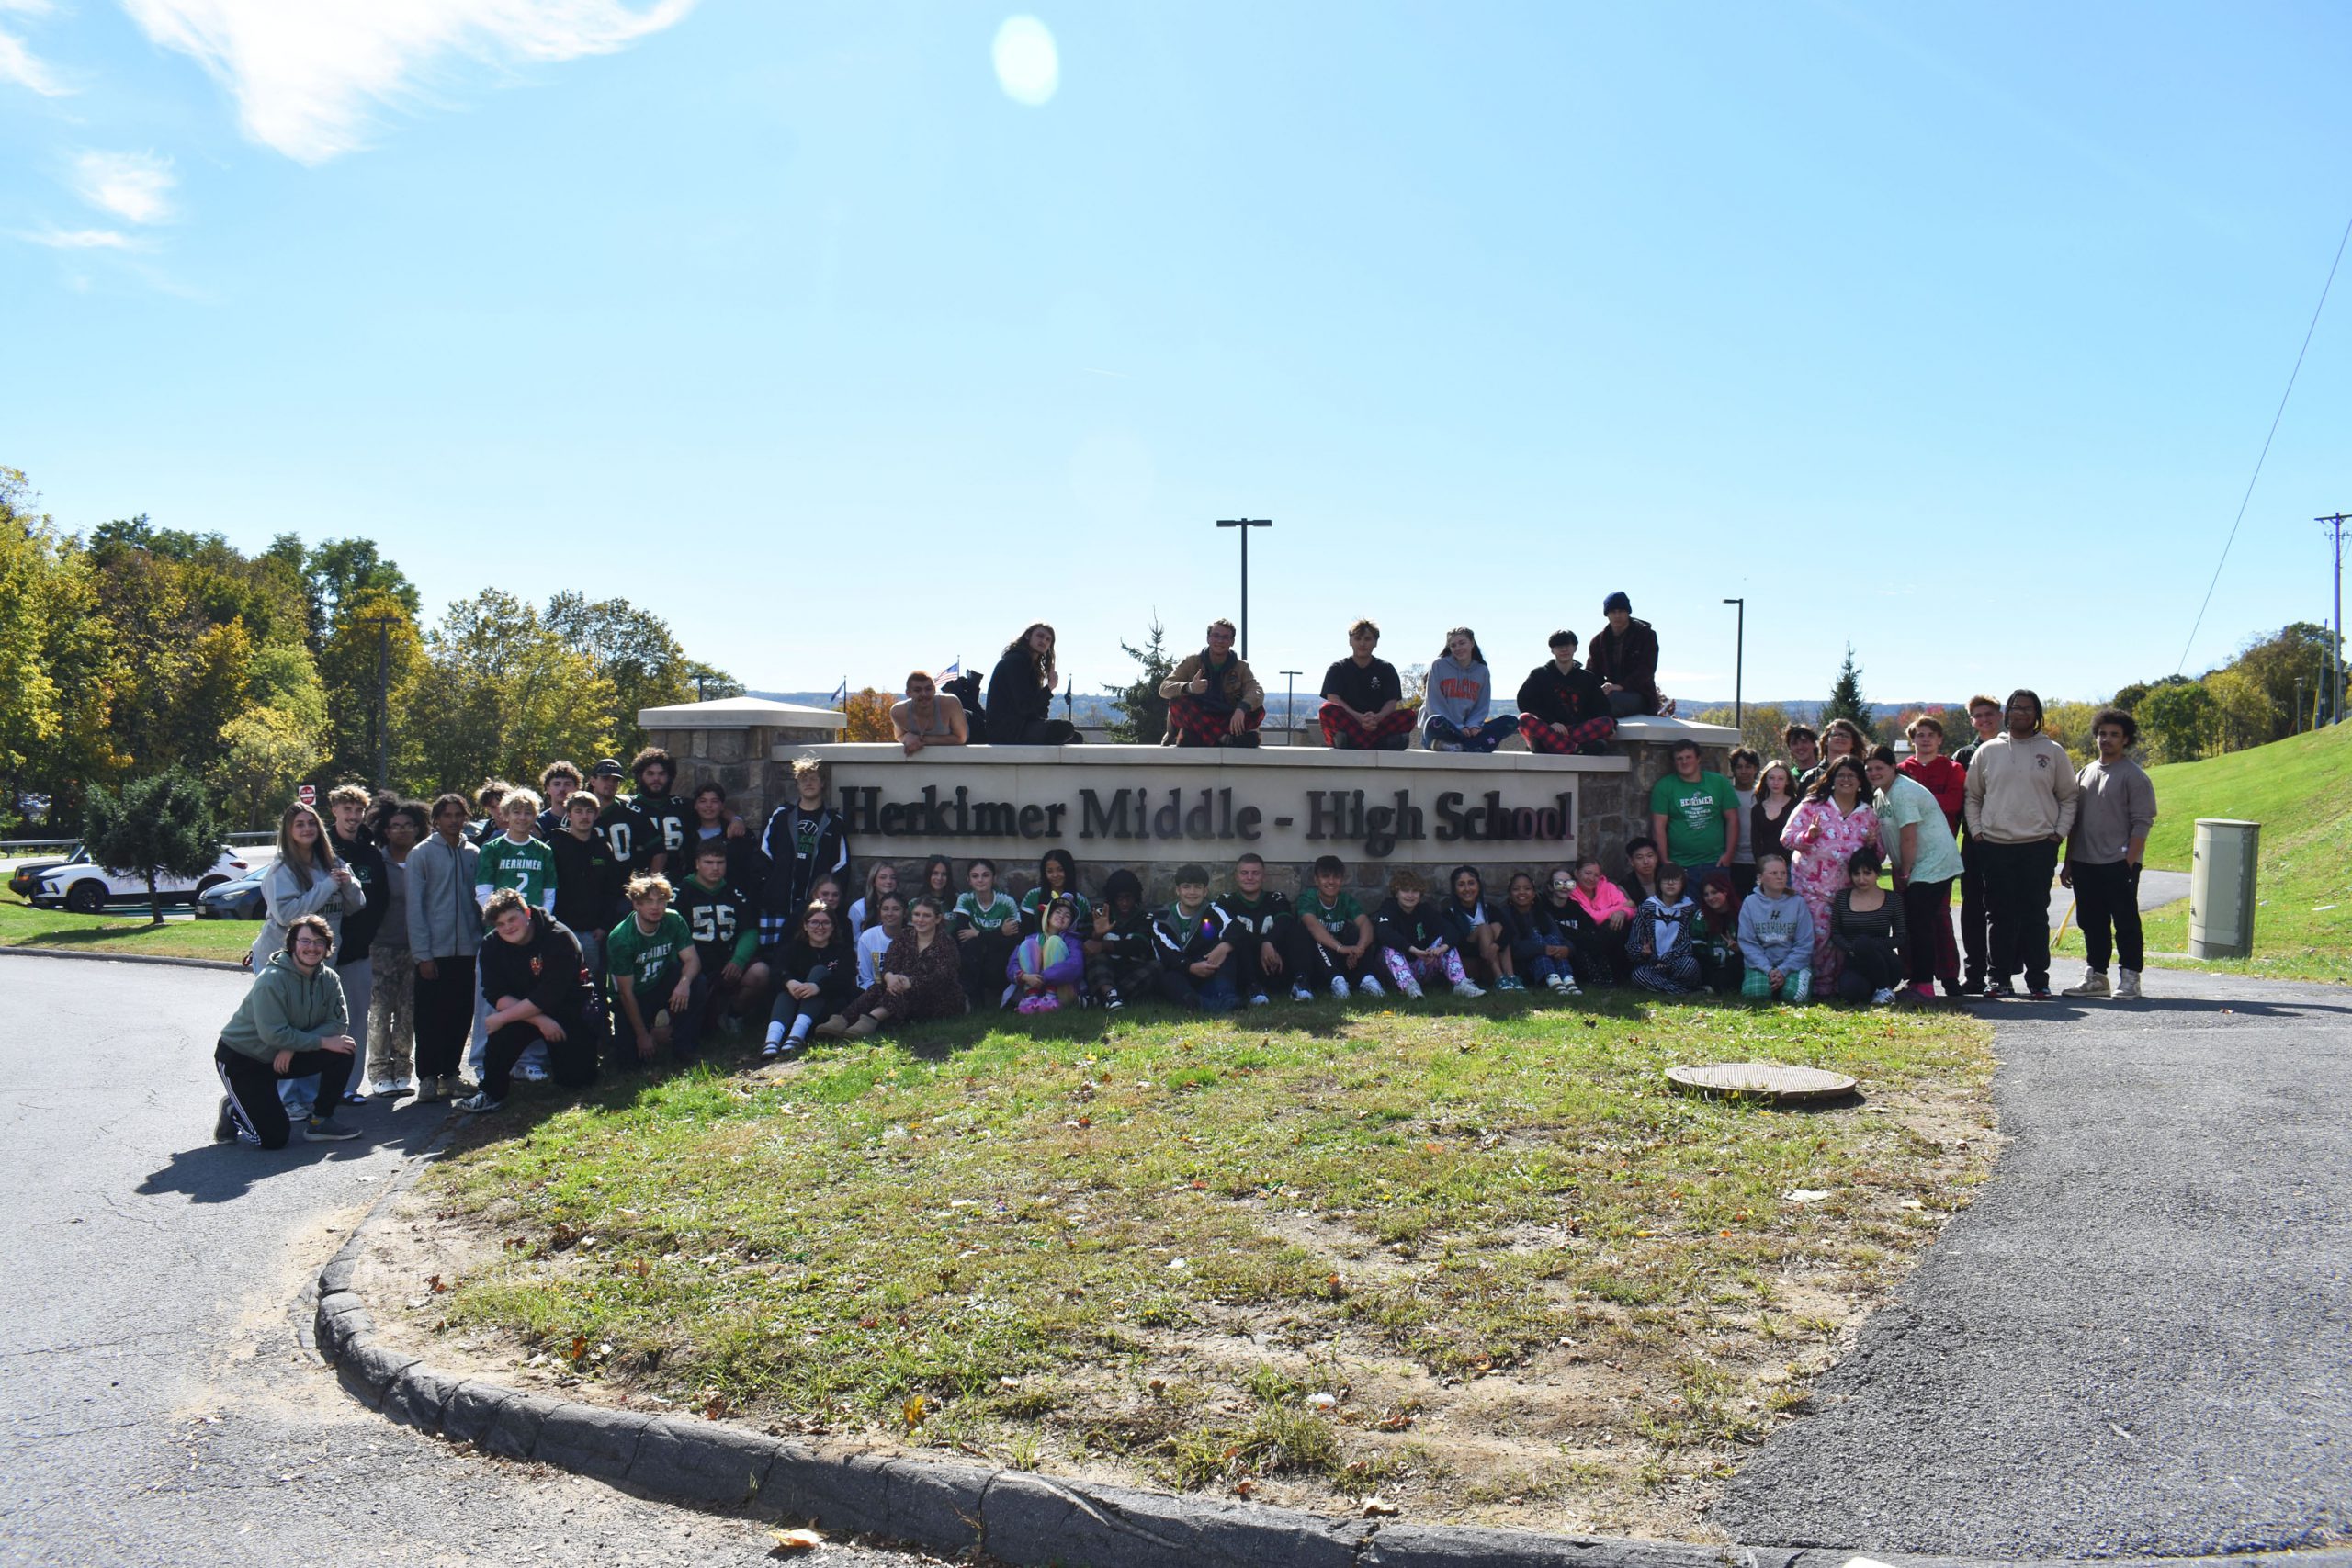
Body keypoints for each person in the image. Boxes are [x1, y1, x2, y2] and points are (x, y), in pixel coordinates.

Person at [252, 801, 368, 1119]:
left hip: (319, 961)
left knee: (314, 1026)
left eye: (311, 823)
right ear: (288, 832)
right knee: (287, 1028)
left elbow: (356, 904)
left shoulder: (332, 861)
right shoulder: (282, 869)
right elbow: (287, 914)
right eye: (299, 824)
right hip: (281, 962)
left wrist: (349, 884)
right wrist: (327, 885)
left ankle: (309, 1096)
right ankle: (287, 1098)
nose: (307, 829)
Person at [1963, 689, 2080, 1001]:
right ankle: (1998, 978)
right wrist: (1977, 832)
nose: (2021, 713)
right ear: (2008, 712)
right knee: (1998, 914)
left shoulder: (2052, 751)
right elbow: (1973, 796)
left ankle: (2038, 980)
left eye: (2028, 709)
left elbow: (2069, 796)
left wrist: (2058, 833)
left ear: (2037, 714)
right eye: (2016, 707)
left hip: (2039, 844)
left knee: (2035, 914)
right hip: (1995, 844)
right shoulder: (1988, 751)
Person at [210, 914, 362, 1147]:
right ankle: (234, 1109)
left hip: (281, 1055)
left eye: (319, 942)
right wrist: (314, 1042)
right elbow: (273, 1035)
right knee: (273, 1140)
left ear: (327, 947)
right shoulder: (271, 979)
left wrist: (291, 1047)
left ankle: (320, 1121)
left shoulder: (329, 979)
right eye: (305, 941)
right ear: (292, 944)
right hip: (243, 1060)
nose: (312, 948)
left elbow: (338, 1024)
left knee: (344, 1048)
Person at [458, 889, 605, 1112]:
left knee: (578, 1080)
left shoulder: (559, 937)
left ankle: (562, 1062)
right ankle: (490, 1093)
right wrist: (540, 1021)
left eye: (512, 919)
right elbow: (495, 994)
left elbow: (551, 993)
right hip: (522, 1012)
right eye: (500, 924)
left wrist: (503, 1018)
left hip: (568, 1009)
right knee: (501, 1033)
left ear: (526, 913)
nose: (508, 927)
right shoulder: (491, 945)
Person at [2062, 707, 2156, 1000]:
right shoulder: (2084, 773)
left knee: (2125, 922)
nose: (2107, 739)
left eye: (2114, 734)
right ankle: (2096, 976)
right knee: (2091, 923)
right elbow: (2075, 822)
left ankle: (2130, 978)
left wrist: (2128, 862)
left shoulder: (2134, 776)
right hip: (2084, 862)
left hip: (2118, 863)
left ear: (2125, 739)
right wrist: (2068, 862)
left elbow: (2143, 822)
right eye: (2102, 734)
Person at [1865, 745, 1964, 999]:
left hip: (1933, 863)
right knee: (1913, 922)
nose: (1874, 773)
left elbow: (1909, 836)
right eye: (1869, 769)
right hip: (1917, 865)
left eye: (1879, 768)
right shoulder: (1880, 794)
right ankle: (1918, 980)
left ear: (1892, 767)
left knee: (1921, 924)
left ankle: (1924, 983)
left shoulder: (1903, 791)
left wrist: (1904, 871)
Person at [406, 793, 481, 1102]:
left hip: (468, 949)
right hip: (434, 951)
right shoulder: (421, 854)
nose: (453, 820)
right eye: (447, 815)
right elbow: (415, 908)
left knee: (460, 1016)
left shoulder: (474, 853)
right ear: (435, 820)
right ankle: (427, 1077)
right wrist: (422, 955)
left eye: (459, 814)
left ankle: (450, 1074)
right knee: (430, 1018)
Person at [1781, 756, 1879, 995]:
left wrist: (1872, 846)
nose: (1846, 780)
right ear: (1832, 779)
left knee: (1843, 942)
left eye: (1852, 776)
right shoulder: (1812, 806)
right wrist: (1809, 836)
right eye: (1841, 775)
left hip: (1850, 893)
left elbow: (1878, 857)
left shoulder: (1868, 814)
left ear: (1860, 781)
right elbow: (1786, 838)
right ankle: (1816, 987)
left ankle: (1839, 987)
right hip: (1812, 889)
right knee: (1818, 938)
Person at [321, 784, 388, 1105]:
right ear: (334, 810)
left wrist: (366, 938)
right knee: (319, 1022)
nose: (353, 816)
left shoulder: (371, 854)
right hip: (319, 955)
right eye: (347, 809)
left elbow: (379, 902)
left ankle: (348, 1086)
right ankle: (315, 1088)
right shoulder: (319, 850)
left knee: (356, 1020)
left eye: (358, 810)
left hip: (359, 953)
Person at [825, 894, 966, 1035]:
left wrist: (911, 983)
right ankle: (843, 1019)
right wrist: (890, 977)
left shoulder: (946, 943)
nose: (920, 920)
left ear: (938, 919)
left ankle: (871, 1019)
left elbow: (943, 977)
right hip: (903, 990)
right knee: (879, 987)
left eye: (926, 916)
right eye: (917, 915)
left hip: (940, 998)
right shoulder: (904, 936)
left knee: (903, 991)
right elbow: (890, 964)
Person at [607, 874, 705, 1067]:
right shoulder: (621, 938)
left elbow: (693, 960)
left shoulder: (673, 920)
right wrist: (642, 1035)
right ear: (636, 905)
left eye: (661, 901)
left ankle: (684, 1045)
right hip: (634, 995)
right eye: (649, 901)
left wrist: (684, 984)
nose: (655, 907)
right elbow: (626, 993)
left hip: (660, 982)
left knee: (697, 981)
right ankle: (653, 1033)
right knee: (629, 1063)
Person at [364, 799, 424, 1098]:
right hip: (381, 947)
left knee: (408, 1012)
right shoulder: (378, 861)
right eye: (395, 826)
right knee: (379, 1010)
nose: (402, 831)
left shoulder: (422, 859)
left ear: (417, 829)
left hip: (415, 948)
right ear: (385, 831)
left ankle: (403, 1070)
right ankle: (378, 1071)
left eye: (408, 825)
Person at [757, 755, 850, 948]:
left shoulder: (834, 821)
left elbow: (841, 865)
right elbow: (763, 855)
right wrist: (772, 887)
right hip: (780, 904)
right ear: (797, 784)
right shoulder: (781, 816)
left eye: (814, 778)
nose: (809, 783)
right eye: (803, 779)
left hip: (817, 910)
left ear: (823, 783)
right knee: (775, 954)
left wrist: (830, 897)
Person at [679, 839, 763, 1032]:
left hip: (727, 963)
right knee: (704, 1030)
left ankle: (734, 1014)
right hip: (694, 965)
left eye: (720, 862)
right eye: (709, 862)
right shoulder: (681, 893)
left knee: (760, 973)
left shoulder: (735, 894)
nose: (715, 868)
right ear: (697, 863)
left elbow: (749, 931)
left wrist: (739, 960)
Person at [1950, 694, 2004, 994]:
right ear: (1972, 721)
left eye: (1989, 714)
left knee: (2003, 908)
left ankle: (2002, 972)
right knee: (1972, 907)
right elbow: (1958, 802)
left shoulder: (2012, 749)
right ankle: (1974, 973)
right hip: (1974, 840)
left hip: (2007, 840)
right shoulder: (1964, 755)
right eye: (1978, 716)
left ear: (2000, 716)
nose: (1984, 720)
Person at [549, 789, 623, 985]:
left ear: (597, 815)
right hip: (560, 928)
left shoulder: (603, 848)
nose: (584, 816)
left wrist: (604, 925)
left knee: (591, 981)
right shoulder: (554, 846)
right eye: (578, 811)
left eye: (589, 811)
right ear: (568, 815)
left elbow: (611, 890)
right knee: (560, 980)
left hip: (592, 931)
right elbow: (548, 888)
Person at [1374, 869, 1481, 998]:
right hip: (1392, 972)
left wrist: (1440, 949)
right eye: (1405, 891)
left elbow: (1451, 930)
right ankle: (1409, 987)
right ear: (1396, 892)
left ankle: (1461, 983)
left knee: (1444, 942)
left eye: (1415, 891)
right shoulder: (1388, 908)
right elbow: (1384, 933)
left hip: (1420, 966)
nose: (1410, 895)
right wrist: (1413, 950)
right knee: (1389, 948)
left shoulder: (1424, 910)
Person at [766, 902, 857, 1054]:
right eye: (814, 922)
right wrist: (789, 982)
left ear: (833, 926)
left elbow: (845, 979)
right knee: (785, 992)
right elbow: (776, 972)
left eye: (826, 923)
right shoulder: (791, 949)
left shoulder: (844, 952)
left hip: (827, 1009)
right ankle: (772, 1040)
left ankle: (796, 1036)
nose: (820, 927)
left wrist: (818, 987)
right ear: (805, 925)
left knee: (819, 971)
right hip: (792, 1008)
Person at [1160, 618, 1266, 747]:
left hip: (1228, 718)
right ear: (1208, 638)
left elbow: (1256, 691)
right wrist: (1189, 687)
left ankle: (1207, 737)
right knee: (1177, 703)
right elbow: (1164, 688)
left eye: (1225, 637)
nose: (1220, 641)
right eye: (1216, 636)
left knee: (1258, 711)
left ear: (1232, 641)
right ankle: (1223, 738)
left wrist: (1242, 708)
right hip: (1199, 718)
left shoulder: (1241, 667)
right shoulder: (1192, 661)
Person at [1649, 739, 1742, 876]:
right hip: (1680, 864)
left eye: (1688, 757)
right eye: (1679, 758)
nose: (1684, 762)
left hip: (1716, 862)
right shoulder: (1664, 787)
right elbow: (1658, 827)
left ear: (1698, 759)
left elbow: (1733, 819)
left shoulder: (1719, 782)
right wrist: (1665, 861)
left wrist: (1729, 855)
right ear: (1674, 762)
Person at [1291, 855, 1381, 997]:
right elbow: (1313, 925)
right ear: (1316, 880)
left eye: (1336, 877)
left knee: (1357, 933)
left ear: (1342, 880)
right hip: (1317, 959)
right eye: (1325, 876)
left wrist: (1359, 949)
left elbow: (1365, 924)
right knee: (1307, 932)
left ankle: (1367, 979)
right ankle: (1335, 981)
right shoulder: (1308, 899)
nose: (1331, 881)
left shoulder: (1345, 900)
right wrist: (1341, 948)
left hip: (1340, 958)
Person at [1317, 619, 1415, 750]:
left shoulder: (1386, 669)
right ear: (1350, 641)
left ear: (1376, 642)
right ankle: (1381, 743)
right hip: (1349, 724)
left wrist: (1377, 718)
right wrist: (1359, 718)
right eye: (1358, 639)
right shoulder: (1337, 668)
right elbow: (1333, 699)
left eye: (1367, 639)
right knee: (1327, 710)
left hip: (1377, 725)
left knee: (1409, 715)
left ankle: (1357, 742)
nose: (1362, 643)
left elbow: (1391, 702)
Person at [1150, 869, 1239, 1010]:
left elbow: (1237, 929)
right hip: (1182, 971)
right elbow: (1166, 952)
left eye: (1198, 887)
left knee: (1229, 951)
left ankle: (1227, 997)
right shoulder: (1162, 917)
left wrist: (1225, 946)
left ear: (1205, 891)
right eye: (1186, 887)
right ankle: (1198, 1004)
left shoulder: (1213, 910)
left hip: (1208, 967)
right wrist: (1190, 967)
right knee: (1166, 976)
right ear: (1178, 890)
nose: (1192, 892)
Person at [1515, 630, 1615, 755]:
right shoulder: (1539, 675)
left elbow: (1602, 706)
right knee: (1523, 719)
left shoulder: (1587, 678)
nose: (1564, 649)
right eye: (1559, 646)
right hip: (1548, 728)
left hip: (1575, 729)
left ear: (1575, 648)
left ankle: (1553, 745)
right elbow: (1524, 702)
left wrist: (1612, 727)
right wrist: (1550, 722)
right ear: (1552, 650)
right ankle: (1577, 749)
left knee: (1607, 723)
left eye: (1568, 645)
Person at [1827, 850, 1907, 1005]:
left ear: (1877, 873)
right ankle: (1876, 991)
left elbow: (1900, 937)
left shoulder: (1893, 899)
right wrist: (1853, 949)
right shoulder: (1843, 897)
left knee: (1864, 942)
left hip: (1886, 962)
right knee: (1851, 992)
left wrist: (1871, 946)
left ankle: (1883, 988)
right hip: (1855, 961)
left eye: (1867, 873)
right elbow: (1835, 933)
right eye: (1856, 874)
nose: (1861, 879)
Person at [1422, 627, 1520, 752]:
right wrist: (1458, 727)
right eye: (1453, 645)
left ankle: (1457, 746)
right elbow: (1434, 703)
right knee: (1435, 721)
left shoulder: (1482, 671)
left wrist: (1473, 725)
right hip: (1444, 729)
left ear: (1472, 643)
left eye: (1462, 643)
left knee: (1511, 721)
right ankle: (1478, 745)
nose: (1458, 648)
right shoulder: (1438, 666)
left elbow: (1482, 705)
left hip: (1469, 731)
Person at [1215, 852, 1294, 1007]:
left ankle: (1301, 982)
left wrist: (1269, 942)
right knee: (1237, 936)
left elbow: (1285, 922)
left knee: (1298, 930)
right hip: (1245, 964)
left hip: (1274, 962)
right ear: (1236, 876)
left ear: (1263, 876)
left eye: (1255, 873)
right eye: (1244, 873)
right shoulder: (1225, 901)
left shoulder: (1276, 898)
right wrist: (1263, 943)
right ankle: (1252, 986)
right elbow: (1231, 930)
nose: (1250, 877)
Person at [986, 623, 1081, 744]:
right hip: (1008, 730)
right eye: (1040, 636)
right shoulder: (1015, 661)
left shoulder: (1032, 667)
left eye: (1048, 640)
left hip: (1023, 725)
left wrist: (1047, 690)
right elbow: (1025, 707)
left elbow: (1040, 713)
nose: (1044, 641)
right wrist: (1050, 687)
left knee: (1076, 737)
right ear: (1028, 636)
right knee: (1065, 729)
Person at [1738, 852, 1814, 1002]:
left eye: (1783, 873)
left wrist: (1783, 970)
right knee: (1755, 995)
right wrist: (1768, 969)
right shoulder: (1750, 903)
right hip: (1762, 965)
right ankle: (1769, 984)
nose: (1780, 877)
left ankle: (1789, 983)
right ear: (1760, 877)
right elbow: (1748, 943)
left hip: (1793, 964)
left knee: (1794, 996)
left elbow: (1804, 943)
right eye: (1774, 873)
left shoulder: (1798, 902)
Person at [950, 857, 1023, 1006]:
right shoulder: (965, 899)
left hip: (999, 957)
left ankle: (1000, 994)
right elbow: (964, 935)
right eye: (975, 876)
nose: (980, 880)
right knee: (971, 948)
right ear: (969, 880)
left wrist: (979, 934)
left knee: (997, 951)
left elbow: (1014, 938)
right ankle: (972, 998)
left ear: (994, 878)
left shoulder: (1006, 902)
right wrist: (1000, 933)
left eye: (985, 875)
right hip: (975, 955)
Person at [1083, 871, 1161, 1010]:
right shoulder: (1100, 915)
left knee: (1157, 966)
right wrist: (1097, 935)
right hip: (1107, 969)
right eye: (1119, 898)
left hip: (1132, 971)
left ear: (1135, 896)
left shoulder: (1145, 918)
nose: (1124, 903)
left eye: (1128, 897)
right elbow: (1088, 945)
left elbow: (1139, 945)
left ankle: (1106, 998)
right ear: (1112, 897)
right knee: (1095, 958)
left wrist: (1104, 945)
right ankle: (1110, 995)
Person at [474, 788, 558, 913]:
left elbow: (549, 894)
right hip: (502, 921)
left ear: (535, 816)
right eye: (517, 812)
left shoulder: (544, 851)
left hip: (534, 921)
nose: (522, 817)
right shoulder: (491, 849)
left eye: (528, 813)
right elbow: (483, 892)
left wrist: (540, 919)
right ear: (506, 814)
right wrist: (504, 918)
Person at [1627, 863, 1702, 996]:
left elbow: (1689, 944)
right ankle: (1682, 991)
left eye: (1675, 880)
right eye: (1666, 879)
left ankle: (1661, 987)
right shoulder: (1646, 908)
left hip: (1677, 962)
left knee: (1690, 965)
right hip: (1652, 964)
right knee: (1639, 974)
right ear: (1659, 883)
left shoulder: (1689, 908)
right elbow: (1633, 944)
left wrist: (1666, 959)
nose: (1670, 883)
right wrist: (1643, 953)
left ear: (1683, 884)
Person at [1439, 864, 1516, 989]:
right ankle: (1499, 978)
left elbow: (1509, 931)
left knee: (1497, 926)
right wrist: (1483, 946)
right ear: (1455, 889)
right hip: (1468, 965)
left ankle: (1511, 977)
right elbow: (1457, 944)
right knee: (1484, 928)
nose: (1467, 889)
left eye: (1471, 883)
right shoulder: (1448, 915)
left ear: (1478, 885)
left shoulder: (1489, 909)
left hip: (1489, 962)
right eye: (1461, 884)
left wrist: (1496, 946)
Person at [1006, 896, 1088, 1011]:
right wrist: (1025, 977)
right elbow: (1012, 964)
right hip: (1032, 987)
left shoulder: (1072, 941)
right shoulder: (1032, 938)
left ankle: (1050, 998)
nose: (1062, 916)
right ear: (1048, 916)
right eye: (1058, 912)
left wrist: (1043, 977)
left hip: (1061, 991)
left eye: (1067, 915)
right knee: (1028, 944)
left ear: (1071, 923)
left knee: (1054, 941)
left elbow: (1075, 966)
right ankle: (1031, 999)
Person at [1587, 591, 1661, 716]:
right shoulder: (1598, 641)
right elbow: (1592, 673)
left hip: (1640, 694)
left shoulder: (1646, 635)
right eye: (1613, 611)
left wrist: (1621, 686)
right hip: (1610, 693)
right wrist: (1600, 689)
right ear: (1607, 614)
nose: (1617, 615)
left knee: (1612, 702)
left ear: (1628, 612)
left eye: (1621, 611)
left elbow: (1647, 669)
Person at [1562, 855, 1632, 987]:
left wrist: (1622, 912)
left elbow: (1632, 909)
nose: (1592, 878)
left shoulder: (1609, 887)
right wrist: (1620, 907)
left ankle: (1620, 974)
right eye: (1588, 873)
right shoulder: (1571, 892)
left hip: (1612, 934)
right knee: (1610, 927)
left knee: (1620, 925)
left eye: (1596, 875)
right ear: (1576, 873)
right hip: (1588, 935)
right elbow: (1592, 918)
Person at [1500, 871, 1573, 993]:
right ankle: (1552, 979)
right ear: (1510, 894)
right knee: (1537, 940)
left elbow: (1559, 938)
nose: (1522, 892)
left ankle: (1568, 979)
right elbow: (1514, 948)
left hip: (1550, 955)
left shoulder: (1542, 914)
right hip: (1523, 964)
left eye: (1527, 888)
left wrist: (1566, 949)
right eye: (1516, 889)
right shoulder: (1505, 915)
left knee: (1552, 939)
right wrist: (1543, 949)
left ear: (1534, 893)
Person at [691, 782, 766, 894]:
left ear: (722, 806)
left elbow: (752, 870)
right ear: (695, 805)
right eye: (703, 801)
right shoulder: (687, 834)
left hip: (734, 896)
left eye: (714, 801)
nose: (708, 805)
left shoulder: (739, 834)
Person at [628, 748, 692, 878]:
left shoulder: (681, 805)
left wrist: (734, 819)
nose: (656, 778)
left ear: (670, 777)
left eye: (662, 774)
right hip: (637, 880)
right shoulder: (628, 807)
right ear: (640, 776)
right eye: (650, 773)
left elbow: (712, 807)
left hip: (676, 879)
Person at [588, 757, 656, 877]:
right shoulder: (579, 812)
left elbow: (659, 850)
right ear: (593, 781)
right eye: (605, 778)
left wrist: (652, 881)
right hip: (590, 883)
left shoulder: (632, 812)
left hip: (627, 885)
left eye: (615, 780)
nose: (611, 783)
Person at [1898, 716, 1965, 834]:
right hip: (1908, 836)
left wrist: (1915, 801)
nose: (1926, 739)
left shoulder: (1954, 769)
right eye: (1920, 735)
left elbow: (1954, 803)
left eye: (1931, 735)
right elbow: (1897, 804)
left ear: (1940, 739)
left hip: (1942, 836)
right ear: (1912, 740)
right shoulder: (1901, 770)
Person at [1750, 761, 1800, 901]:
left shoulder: (1797, 806)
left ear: (1787, 781)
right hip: (1766, 869)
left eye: (1780, 778)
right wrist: (1761, 867)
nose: (1775, 782)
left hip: (1791, 868)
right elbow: (1755, 842)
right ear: (1765, 780)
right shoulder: (1757, 809)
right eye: (1771, 778)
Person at [891, 670, 970, 755]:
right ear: (908, 693)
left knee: (971, 702)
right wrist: (906, 737)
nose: (924, 694)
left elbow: (961, 738)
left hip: (972, 725)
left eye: (928, 689)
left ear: (935, 690)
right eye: (917, 690)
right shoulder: (898, 712)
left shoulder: (950, 702)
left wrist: (921, 740)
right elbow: (899, 736)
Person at [1691, 869, 1745, 994]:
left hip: (1737, 964)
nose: (1710, 898)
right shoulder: (1701, 917)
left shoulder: (1742, 913)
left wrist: (1739, 949)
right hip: (1712, 967)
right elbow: (1699, 954)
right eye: (1706, 894)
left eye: (1714, 892)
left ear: (1726, 891)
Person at [1019, 848, 1091, 932]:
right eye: (1050, 871)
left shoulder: (1081, 901)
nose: (1055, 875)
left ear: (1068, 870)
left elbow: (1085, 933)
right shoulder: (1032, 896)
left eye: (1060, 870)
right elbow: (1025, 931)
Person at [1725, 749, 1762, 895]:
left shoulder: (1763, 795)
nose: (1744, 771)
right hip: (1733, 860)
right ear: (1733, 770)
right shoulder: (1727, 794)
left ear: (1756, 769)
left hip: (1758, 860)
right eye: (1739, 767)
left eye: (1748, 766)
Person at [855, 890, 906, 989]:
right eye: (885, 909)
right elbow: (865, 978)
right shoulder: (867, 937)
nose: (890, 913)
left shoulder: (912, 938)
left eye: (896, 909)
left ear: (905, 913)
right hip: (874, 991)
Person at [849, 862, 899, 942]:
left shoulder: (902, 906)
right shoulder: (858, 908)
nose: (889, 881)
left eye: (893, 878)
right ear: (873, 882)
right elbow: (854, 940)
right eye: (883, 877)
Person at [536, 761, 582, 838]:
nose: (562, 789)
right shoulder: (539, 822)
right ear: (547, 788)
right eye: (557, 784)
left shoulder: (584, 820)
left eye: (567, 784)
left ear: (576, 788)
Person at [1618, 836, 1664, 909]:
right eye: (1640, 857)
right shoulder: (1625, 887)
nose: (1646, 862)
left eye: (1650, 856)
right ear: (1631, 861)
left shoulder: (1667, 877)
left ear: (1656, 857)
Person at [467, 779, 513, 846]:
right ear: (487, 809)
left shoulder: (526, 833)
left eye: (502, 805)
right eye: (493, 807)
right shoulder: (481, 841)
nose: (499, 810)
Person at [1782, 724, 1824, 796]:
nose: (1800, 747)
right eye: (1794, 743)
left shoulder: (1825, 772)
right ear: (1789, 748)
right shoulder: (1788, 777)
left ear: (1814, 744)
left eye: (1804, 742)